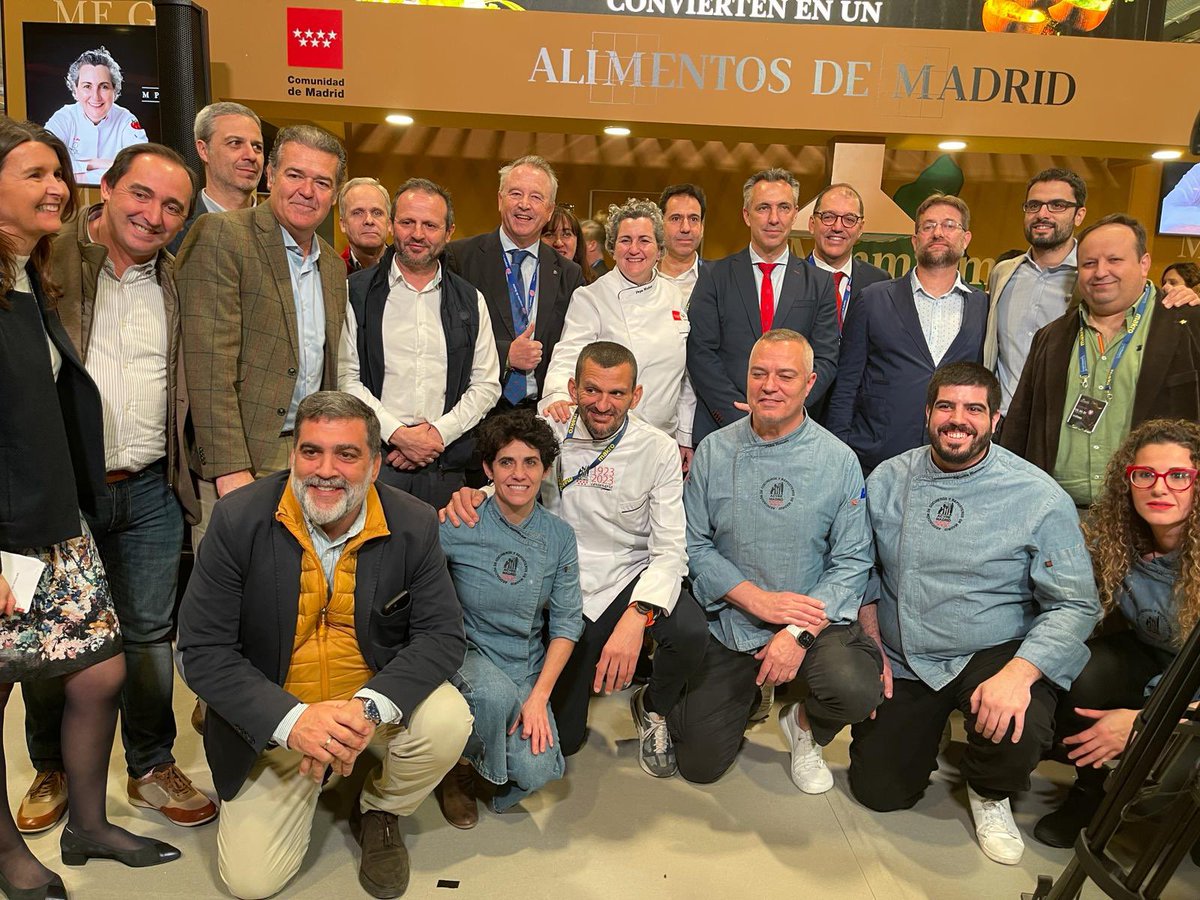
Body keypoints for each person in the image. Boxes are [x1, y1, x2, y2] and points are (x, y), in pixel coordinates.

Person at [177, 391, 471, 900]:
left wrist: (368, 709)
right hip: (276, 717)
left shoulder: (413, 522)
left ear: (376, 465)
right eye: (311, 452)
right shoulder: (238, 519)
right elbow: (201, 651)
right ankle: (307, 769)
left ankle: (381, 808)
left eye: (347, 454)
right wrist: (295, 723)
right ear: (292, 457)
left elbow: (443, 637)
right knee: (251, 884)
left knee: (449, 720)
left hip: (366, 705)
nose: (325, 470)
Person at [0, 118, 178, 900]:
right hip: (7, 529)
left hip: (51, 521)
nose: (54, 189)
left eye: (57, 174)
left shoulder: (22, 275)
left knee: (100, 671)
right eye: (35, 173)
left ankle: (88, 823)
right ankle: (6, 855)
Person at [19, 144, 214, 839]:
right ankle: (55, 767)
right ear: (106, 188)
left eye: (172, 207)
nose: (153, 215)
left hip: (153, 488)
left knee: (148, 638)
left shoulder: (178, 281)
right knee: (53, 640)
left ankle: (151, 764)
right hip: (63, 493)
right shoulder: (49, 263)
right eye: (141, 195)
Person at [849, 362, 1101, 865]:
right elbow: (859, 567)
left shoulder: (1037, 495)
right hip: (907, 652)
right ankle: (930, 726)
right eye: (946, 406)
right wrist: (870, 642)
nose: (957, 419)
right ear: (927, 414)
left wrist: (1020, 674)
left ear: (995, 418)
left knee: (1020, 720)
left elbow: (1075, 602)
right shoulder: (889, 479)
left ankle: (991, 792)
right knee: (879, 791)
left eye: (973, 409)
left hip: (992, 649)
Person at [442, 342, 707, 779]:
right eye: (592, 390)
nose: (603, 405)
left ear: (636, 396)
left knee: (691, 631)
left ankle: (653, 706)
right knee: (565, 741)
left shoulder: (657, 449)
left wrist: (637, 616)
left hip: (625, 576)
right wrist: (475, 495)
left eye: (617, 394)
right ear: (572, 388)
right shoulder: (550, 429)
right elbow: (514, 478)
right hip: (557, 579)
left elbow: (670, 549)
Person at [679, 329, 883, 786]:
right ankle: (748, 696)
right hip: (733, 616)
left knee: (854, 687)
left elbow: (852, 561)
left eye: (785, 375)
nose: (770, 385)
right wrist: (755, 600)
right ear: (746, 378)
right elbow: (693, 544)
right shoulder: (715, 450)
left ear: (810, 383)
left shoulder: (838, 460)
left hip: (810, 616)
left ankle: (806, 727)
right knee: (698, 765)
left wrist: (798, 631)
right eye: (759, 373)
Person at [176, 124, 349, 540]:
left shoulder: (332, 265)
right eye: (295, 175)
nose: (307, 191)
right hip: (242, 455)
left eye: (322, 182)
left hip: (308, 456)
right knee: (232, 596)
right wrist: (230, 468)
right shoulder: (224, 235)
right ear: (271, 177)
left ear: (334, 194)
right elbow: (207, 364)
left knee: (295, 595)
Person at [1034, 418, 1200, 847]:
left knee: (1157, 798)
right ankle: (1089, 794)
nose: (1159, 488)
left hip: (1194, 686)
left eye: (1179, 475)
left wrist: (1147, 722)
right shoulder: (1115, 538)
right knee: (1082, 669)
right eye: (1144, 474)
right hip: (1155, 659)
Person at [434, 412, 582, 827]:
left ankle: (489, 758)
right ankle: (458, 767)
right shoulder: (460, 521)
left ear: (546, 469)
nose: (519, 474)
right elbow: (416, 579)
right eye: (506, 462)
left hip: (524, 663)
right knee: (492, 696)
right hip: (468, 651)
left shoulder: (559, 537)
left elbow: (568, 622)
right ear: (487, 469)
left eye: (530, 462)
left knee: (542, 771)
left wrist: (537, 697)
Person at [1001, 214, 1200, 508]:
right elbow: (1020, 425)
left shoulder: (1189, 325)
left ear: (1144, 263)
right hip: (1059, 515)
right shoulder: (1051, 337)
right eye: (1089, 263)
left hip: (1152, 520)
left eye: (1114, 260)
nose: (1100, 272)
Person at [338, 177, 500, 508]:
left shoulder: (471, 300)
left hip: (446, 465)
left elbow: (486, 385)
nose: (417, 234)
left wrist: (436, 435)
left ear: (449, 231)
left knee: (439, 559)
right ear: (391, 225)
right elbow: (346, 378)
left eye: (430, 225)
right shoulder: (353, 292)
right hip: (376, 460)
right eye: (407, 222)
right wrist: (397, 434)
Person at [826, 193, 988, 475]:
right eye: (928, 226)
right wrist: (840, 454)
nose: (938, 232)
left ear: (966, 239)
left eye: (949, 225)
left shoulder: (983, 307)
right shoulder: (873, 299)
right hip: (875, 461)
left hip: (952, 462)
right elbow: (846, 385)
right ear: (915, 241)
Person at [688, 167, 839, 445]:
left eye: (783, 208)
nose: (773, 218)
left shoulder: (819, 283)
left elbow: (827, 358)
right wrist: (738, 415)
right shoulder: (714, 276)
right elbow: (700, 352)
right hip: (724, 428)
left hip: (794, 432)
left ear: (795, 214)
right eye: (763, 208)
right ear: (746, 215)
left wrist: (788, 409)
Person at [539, 198, 696, 461]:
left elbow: (685, 378)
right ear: (612, 248)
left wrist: (685, 436)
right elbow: (568, 354)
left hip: (661, 441)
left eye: (644, 240)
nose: (634, 249)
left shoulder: (675, 296)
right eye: (625, 240)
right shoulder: (591, 297)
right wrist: (555, 395)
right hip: (605, 439)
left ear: (659, 249)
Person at [445, 155, 584, 413]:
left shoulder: (569, 274)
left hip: (543, 414)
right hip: (475, 414)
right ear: (500, 200)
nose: (524, 205)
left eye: (536, 197)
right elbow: (447, 339)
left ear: (549, 210)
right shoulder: (460, 258)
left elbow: (573, 347)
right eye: (515, 193)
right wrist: (505, 354)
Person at [985, 168, 1088, 415]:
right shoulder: (1003, 273)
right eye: (1034, 205)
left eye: (1057, 205)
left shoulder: (1090, 276)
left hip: (1059, 422)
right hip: (1003, 421)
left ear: (1079, 215)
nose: (1042, 214)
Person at [166, 101, 263, 255]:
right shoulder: (173, 230)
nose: (251, 155)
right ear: (203, 150)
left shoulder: (283, 229)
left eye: (257, 146)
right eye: (235, 143)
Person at [44, 47, 147, 186]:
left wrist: (75, 165)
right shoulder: (64, 117)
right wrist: (95, 164)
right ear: (75, 91)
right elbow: (44, 160)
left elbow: (140, 164)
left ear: (115, 91)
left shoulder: (126, 119)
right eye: (87, 86)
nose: (96, 96)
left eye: (104, 86)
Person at [806, 183, 890, 332]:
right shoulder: (791, 279)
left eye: (849, 219)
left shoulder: (879, 282)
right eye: (828, 217)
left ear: (860, 229)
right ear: (812, 224)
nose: (838, 227)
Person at [656, 183, 709, 304]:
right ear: (660, 225)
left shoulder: (719, 280)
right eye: (676, 218)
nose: (685, 228)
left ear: (702, 227)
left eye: (693, 219)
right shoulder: (641, 276)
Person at [338, 176, 392, 275]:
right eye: (358, 213)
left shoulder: (409, 267)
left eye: (377, 213)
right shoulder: (330, 274)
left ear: (389, 224)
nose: (369, 220)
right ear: (343, 224)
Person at [541, 204, 596, 284]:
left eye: (566, 234)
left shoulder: (595, 287)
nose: (558, 243)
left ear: (578, 241)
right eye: (549, 235)